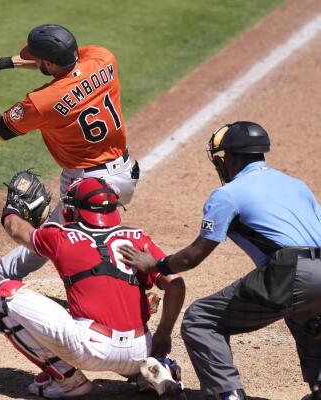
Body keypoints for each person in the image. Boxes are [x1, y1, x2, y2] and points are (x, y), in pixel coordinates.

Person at [118, 121, 321, 400]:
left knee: (201, 319)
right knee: (308, 317)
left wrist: (156, 265)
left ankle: (227, 394)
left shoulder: (228, 194)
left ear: (234, 157)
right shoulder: (296, 186)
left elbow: (192, 257)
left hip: (291, 271)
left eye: (223, 157)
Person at [0, 23, 139, 293]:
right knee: (61, 232)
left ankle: (135, 286)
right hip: (123, 168)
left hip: (88, 185)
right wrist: (3, 63)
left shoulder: (44, 101)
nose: (31, 60)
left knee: (54, 239)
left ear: (48, 63)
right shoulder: (102, 58)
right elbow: (60, 61)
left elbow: (1, 128)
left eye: (36, 58)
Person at [0, 176, 186, 398]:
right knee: (139, 300)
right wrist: (163, 335)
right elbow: (176, 286)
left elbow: (17, 230)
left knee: (0, 294)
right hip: (141, 349)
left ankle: (67, 379)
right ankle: (152, 372)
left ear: (77, 210)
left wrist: (12, 210)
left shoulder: (60, 237)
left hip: (91, 348)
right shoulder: (138, 239)